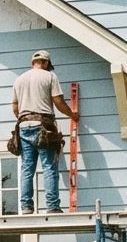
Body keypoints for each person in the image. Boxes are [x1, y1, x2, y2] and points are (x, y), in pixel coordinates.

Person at [11, 50, 78, 214]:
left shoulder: (19, 80)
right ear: (46, 63)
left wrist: (25, 119)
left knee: (27, 168)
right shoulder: (49, 77)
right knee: (48, 166)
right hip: (43, 126)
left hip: (23, 125)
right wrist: (72, 114)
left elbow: (15, 107)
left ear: (33, 62)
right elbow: (58, 101)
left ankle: (26, 207)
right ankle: (52, 206)